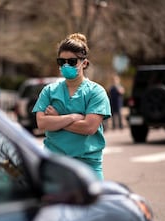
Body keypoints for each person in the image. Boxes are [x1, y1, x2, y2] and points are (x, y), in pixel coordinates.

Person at [32, 33, 111, 180]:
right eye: (62, 61)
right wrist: (72, 117)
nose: (66, 65)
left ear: (84, 63)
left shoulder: (96, 92)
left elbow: (89, 127)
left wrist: (57, 120)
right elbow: (42, 123)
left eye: (72, 61)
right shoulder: (49, 91)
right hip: (55, 165)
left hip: (87, 167)